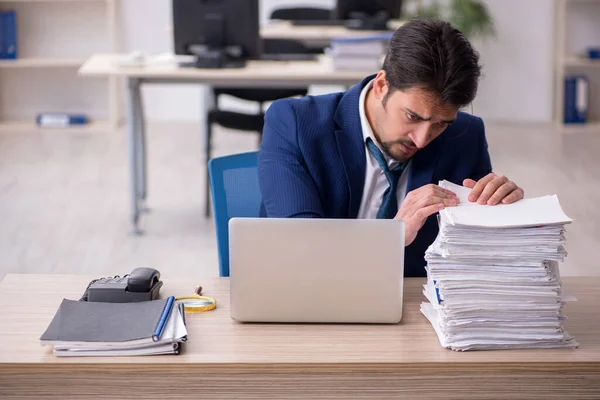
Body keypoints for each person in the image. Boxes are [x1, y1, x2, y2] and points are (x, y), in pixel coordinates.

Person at [257, 19, 524, 277]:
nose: (422, 140)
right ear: (382, 85)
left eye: (440, 124)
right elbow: (301, 247)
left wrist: (505, 212)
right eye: (413, 116)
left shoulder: (465, 136)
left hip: (413, 306)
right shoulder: (294, 123)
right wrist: (391, 237)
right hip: (307, 296)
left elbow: (476, 257)